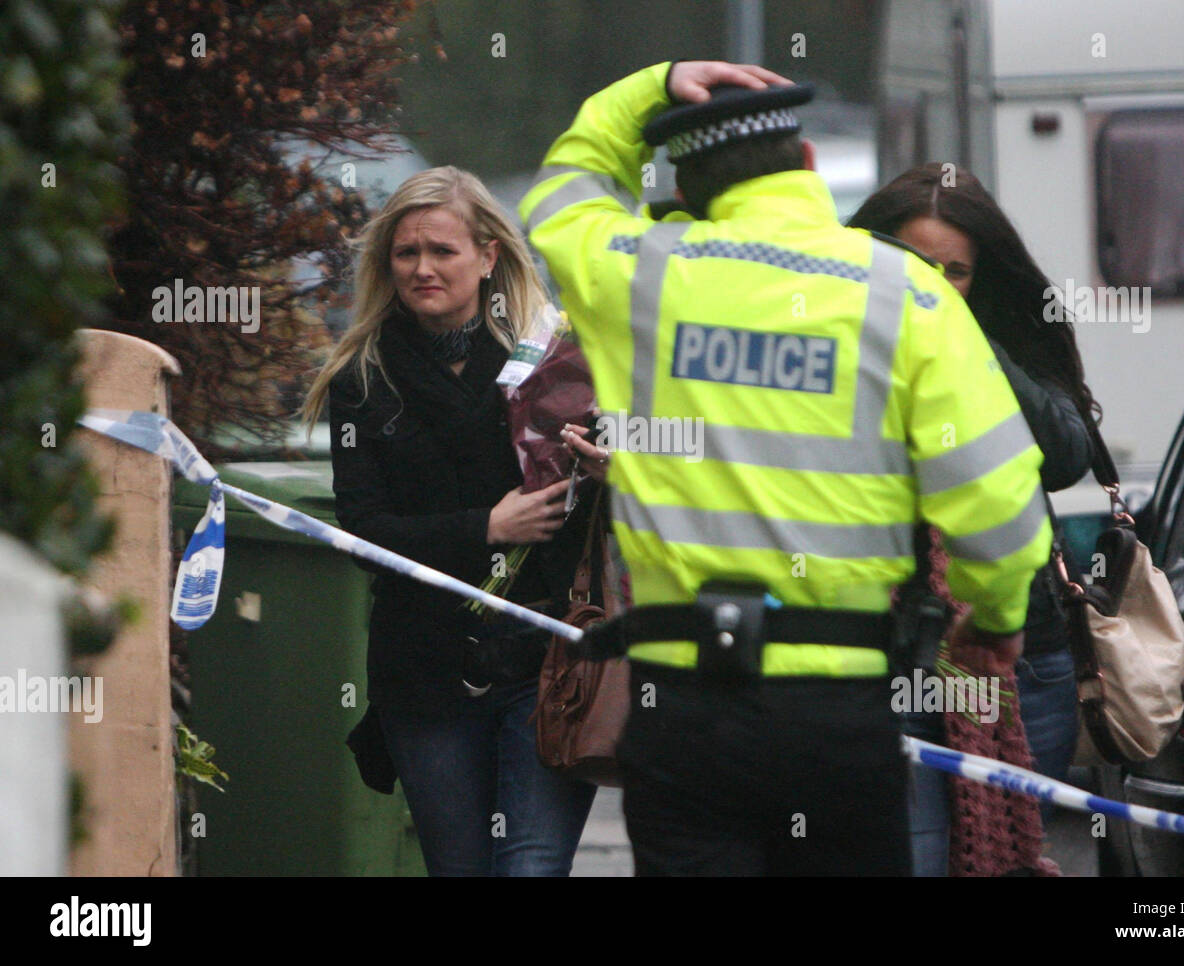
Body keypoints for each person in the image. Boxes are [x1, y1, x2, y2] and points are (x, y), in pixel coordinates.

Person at [521, 61, 1052, 875]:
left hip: (681, 704)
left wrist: (655, 85)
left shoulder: (641, 273)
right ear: (807, 161)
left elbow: (562, 191)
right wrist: (997, 611)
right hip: (839, 713)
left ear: (689, 189)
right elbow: (995, 487)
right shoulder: (901, 290)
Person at [300, 167, 600, 876]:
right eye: (407, 254)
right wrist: (484, 527)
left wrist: (609, 471)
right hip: (427, 671)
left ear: (488, 256)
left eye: (442, 250)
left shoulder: (552, 367)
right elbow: (362, 532)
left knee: (529, 865)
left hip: (545, 662)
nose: (423, 269)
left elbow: (599, 516)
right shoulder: (364, 377)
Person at [849, 163, 1099, 873]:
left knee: (1008, 855)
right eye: (916, 267)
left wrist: (959, 344)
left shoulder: (1002, 336)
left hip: (1017, 653)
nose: (934, 285)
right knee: (920, 858)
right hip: (889, 654)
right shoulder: (832, 340)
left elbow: (1064, 455)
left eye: (953, 272)